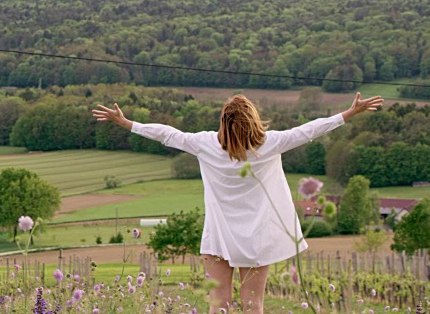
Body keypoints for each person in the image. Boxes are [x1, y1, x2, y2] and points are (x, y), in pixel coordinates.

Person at [92, 92, 383, 314]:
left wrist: (126, 122)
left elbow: (167, 134)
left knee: (219, 306)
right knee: (252, 306)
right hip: (257, 241)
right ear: (253, 121)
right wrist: (349, 113)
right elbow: (309, 130)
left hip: (219, 239)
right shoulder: (269, 144)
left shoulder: (204, 144)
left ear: (223, 122)